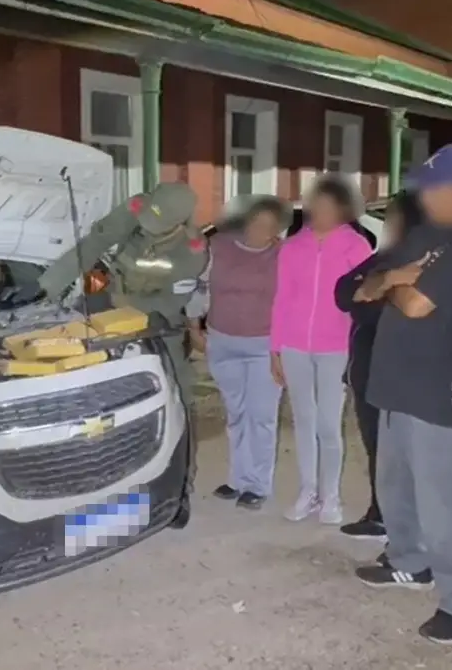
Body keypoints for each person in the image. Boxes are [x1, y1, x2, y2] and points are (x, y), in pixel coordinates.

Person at [350, 143, 452, 645]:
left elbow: (414, 305)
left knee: (447, 505)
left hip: (440, 392)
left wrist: (393, 286)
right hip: (394, 385)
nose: (425, 197)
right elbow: (363, 285)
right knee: (396, 488)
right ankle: (408, 563)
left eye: (435, 189)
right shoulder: (423, 233)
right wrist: (394, 277)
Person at [23, 182, 208, 524]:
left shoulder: (192, 251)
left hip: (157, 324)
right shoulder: (137, 209)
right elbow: (93, 244)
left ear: (179, 225)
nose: (146, 228)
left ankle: (181, 489)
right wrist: (47, 285)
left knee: (179, 400)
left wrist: (123, 309)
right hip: (108, 314)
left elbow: (171, 302)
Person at [270, 175, 372, 525]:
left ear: (343, 209)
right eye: (315, 205)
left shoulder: (356, 247)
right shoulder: (293, 247)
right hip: (296, 345)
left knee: (329, 424)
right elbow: (282, 299)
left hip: (336, 347)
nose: (319, 212)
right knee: (303, 421)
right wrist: (276, 349)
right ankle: (307, 491)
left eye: (327, 206)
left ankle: (331, 496)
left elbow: (364, 299)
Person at [185, 197, 286, 510]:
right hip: (222, 340)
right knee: (237, 414)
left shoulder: (284, 254)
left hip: (264, 346)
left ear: (277, 230)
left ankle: (258, 484)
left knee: (262, 417)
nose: (261, 231)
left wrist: (280, 350)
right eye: (257, 222)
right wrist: (193, 328)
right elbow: (198, 286)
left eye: (270, 227)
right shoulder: (218, 246)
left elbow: (290, 304)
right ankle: (238, 479)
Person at [333, 190, 425, 539]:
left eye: (393, 217)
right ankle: (379, 512)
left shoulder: (421, 260)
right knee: (375, 445)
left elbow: (379, 309)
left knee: (400, 450)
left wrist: (374, 292)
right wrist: (379, 288)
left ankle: (405, 526)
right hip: (365, 368)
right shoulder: (384, 258)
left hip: (396, 371)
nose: (388, 224)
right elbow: (343, 293)